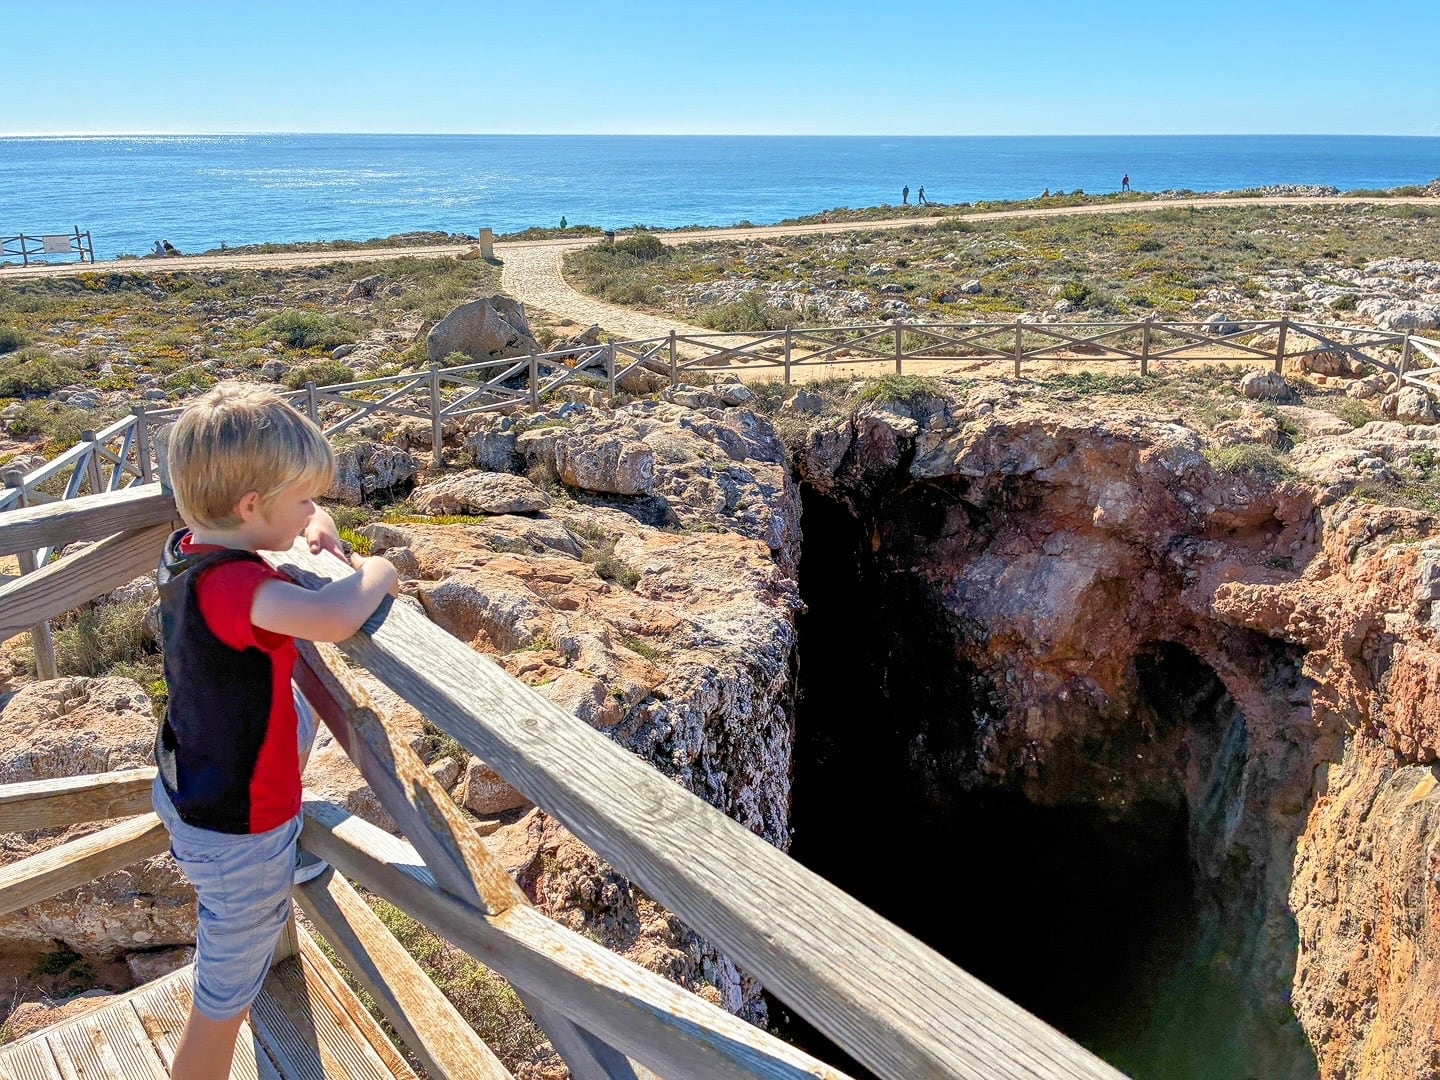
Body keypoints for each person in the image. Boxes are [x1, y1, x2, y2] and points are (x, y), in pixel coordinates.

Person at [153, 382, 399, 1079]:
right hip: (236, 831)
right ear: (251, 507)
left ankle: (284, 856)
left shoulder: (188, 551)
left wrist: (311, 524)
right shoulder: (236, 589)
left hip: (191, 773)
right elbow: (333, 616)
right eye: (300, 502)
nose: (310, 515)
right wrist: (378, 569)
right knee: (225, 992)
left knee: (288, 710)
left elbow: (278, 528)